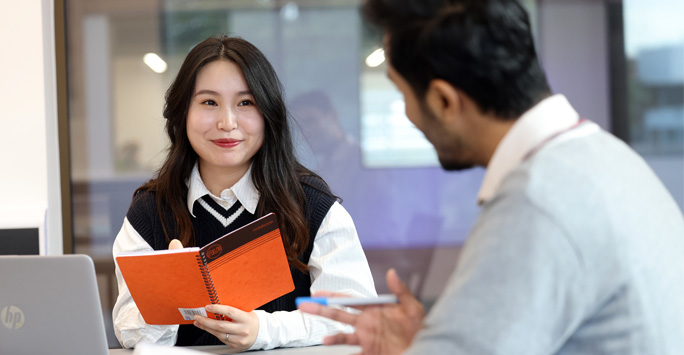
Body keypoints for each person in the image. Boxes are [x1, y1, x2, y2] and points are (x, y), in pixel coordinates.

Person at [298, 1, 684, 354]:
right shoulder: (607, 156)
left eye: (401, 93)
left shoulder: (536, 203)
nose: (407, 115)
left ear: (444, 101)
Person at [112, 35, 377, 351]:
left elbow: (355, 314)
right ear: (183, 113)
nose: (227, 122)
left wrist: (264, 329)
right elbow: (128, 330)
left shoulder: (312, 206)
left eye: (246, 103)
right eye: (209, 102)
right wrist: (168, 293)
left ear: (268, 114)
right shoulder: (150, 212)